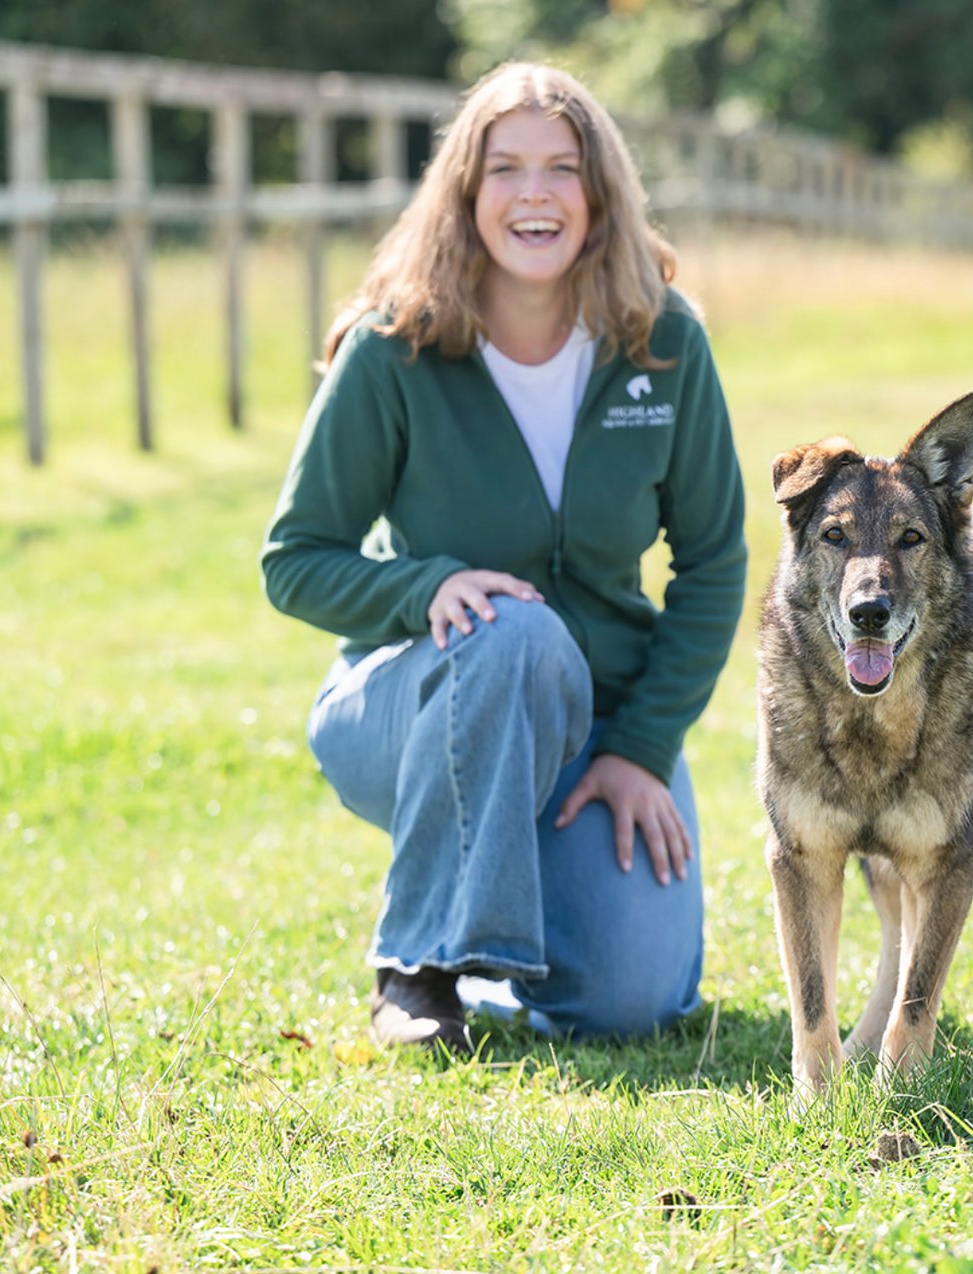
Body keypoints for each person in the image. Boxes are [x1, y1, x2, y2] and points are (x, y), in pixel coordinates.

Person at [261, 63, 746, 1054]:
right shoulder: (394, 349)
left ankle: (498, 934)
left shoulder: (664, 343)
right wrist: (423, 584)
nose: (535, 195)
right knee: (510, 628)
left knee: (630, 1003)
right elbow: (295, 558)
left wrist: (640, 749)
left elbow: (715, 561)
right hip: (409, 708)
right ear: (466, 191)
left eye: (562, 169)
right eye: (506, 169)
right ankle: (420, 965)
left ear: (599, 191)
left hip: (595, 722)